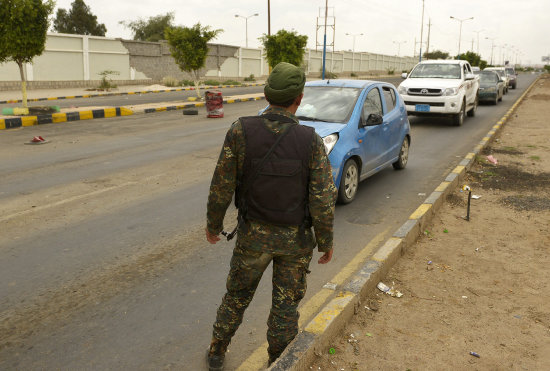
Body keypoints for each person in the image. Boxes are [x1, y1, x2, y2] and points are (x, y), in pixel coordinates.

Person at [205, 62, 337, 370]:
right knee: (285, 308)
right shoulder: (311, 141)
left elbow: (221, 186)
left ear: (267, 94)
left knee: (236, 297)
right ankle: (279, 361)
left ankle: (216, 351)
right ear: (299, 99)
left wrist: (213, 225)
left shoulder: (241, 130)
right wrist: (326, 242)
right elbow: (322, 200)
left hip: (252, 238)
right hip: (296, 243)